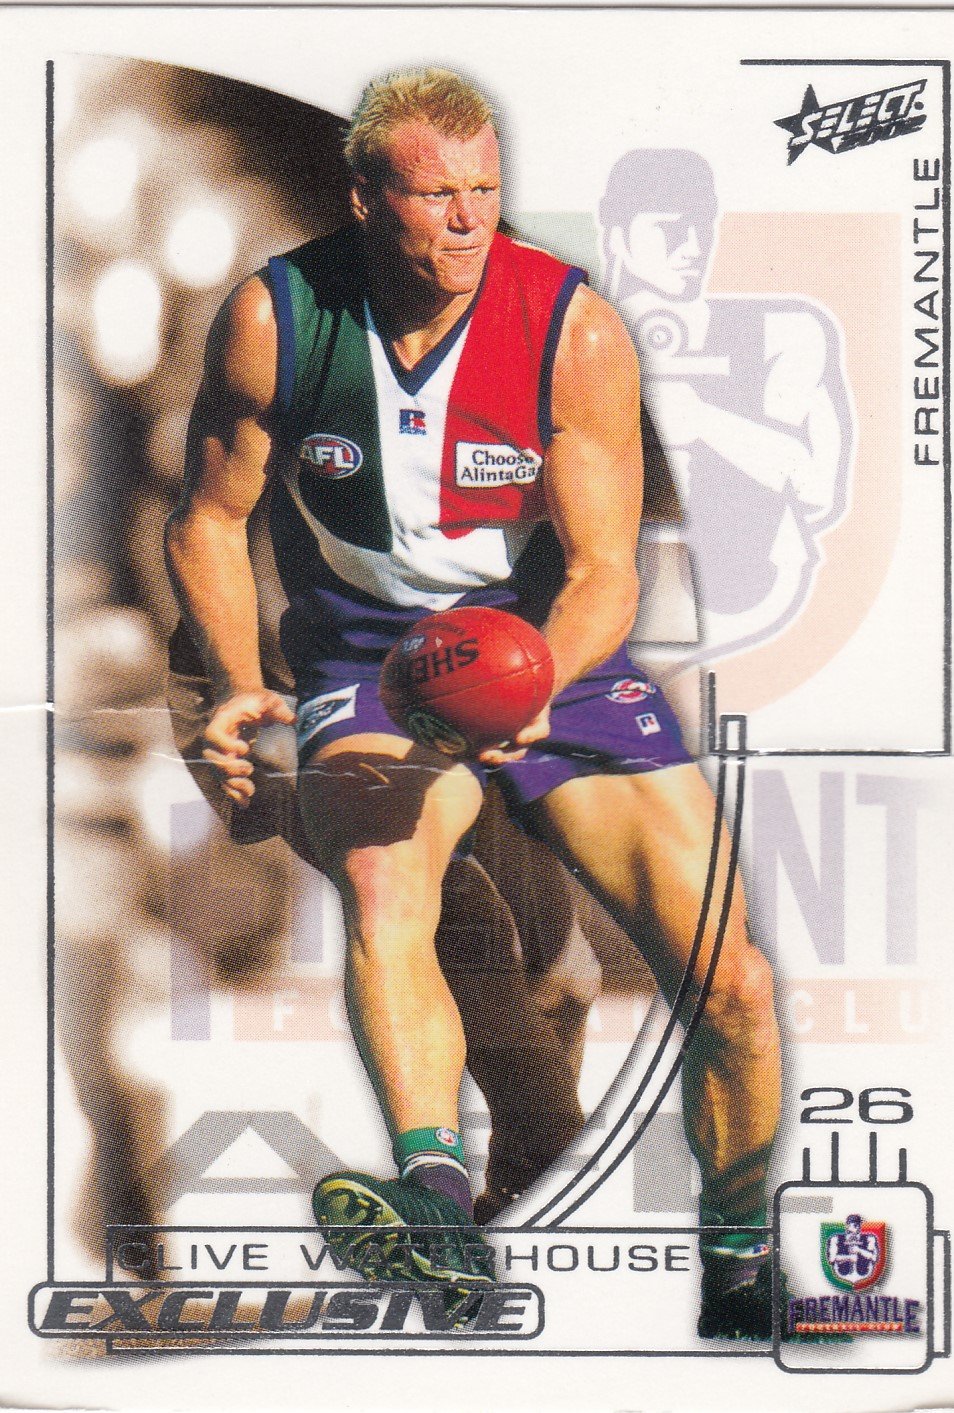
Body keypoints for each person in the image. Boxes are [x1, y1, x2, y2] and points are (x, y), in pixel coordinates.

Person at [165, 68, 781, 1337]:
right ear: (362, 198)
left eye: (486, 192)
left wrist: (534, 683)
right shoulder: (278, 318)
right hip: (368, 661)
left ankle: (736, 1263)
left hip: (554, 656)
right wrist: (233, 684)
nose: (468, 221)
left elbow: (607, 572)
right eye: (437, 194)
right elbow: (211, 520)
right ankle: (436, 1201)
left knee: (734, 983)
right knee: (390, 887)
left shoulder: (573, 329)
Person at [599, 148, 850, 668]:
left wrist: (703, 421)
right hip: (595, 585)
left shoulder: (780, 332)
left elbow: (815, 489)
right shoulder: (570, 327)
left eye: (702, 226)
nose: (693, 248)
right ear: (618, 235)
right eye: (670, 230)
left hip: (744, 586)